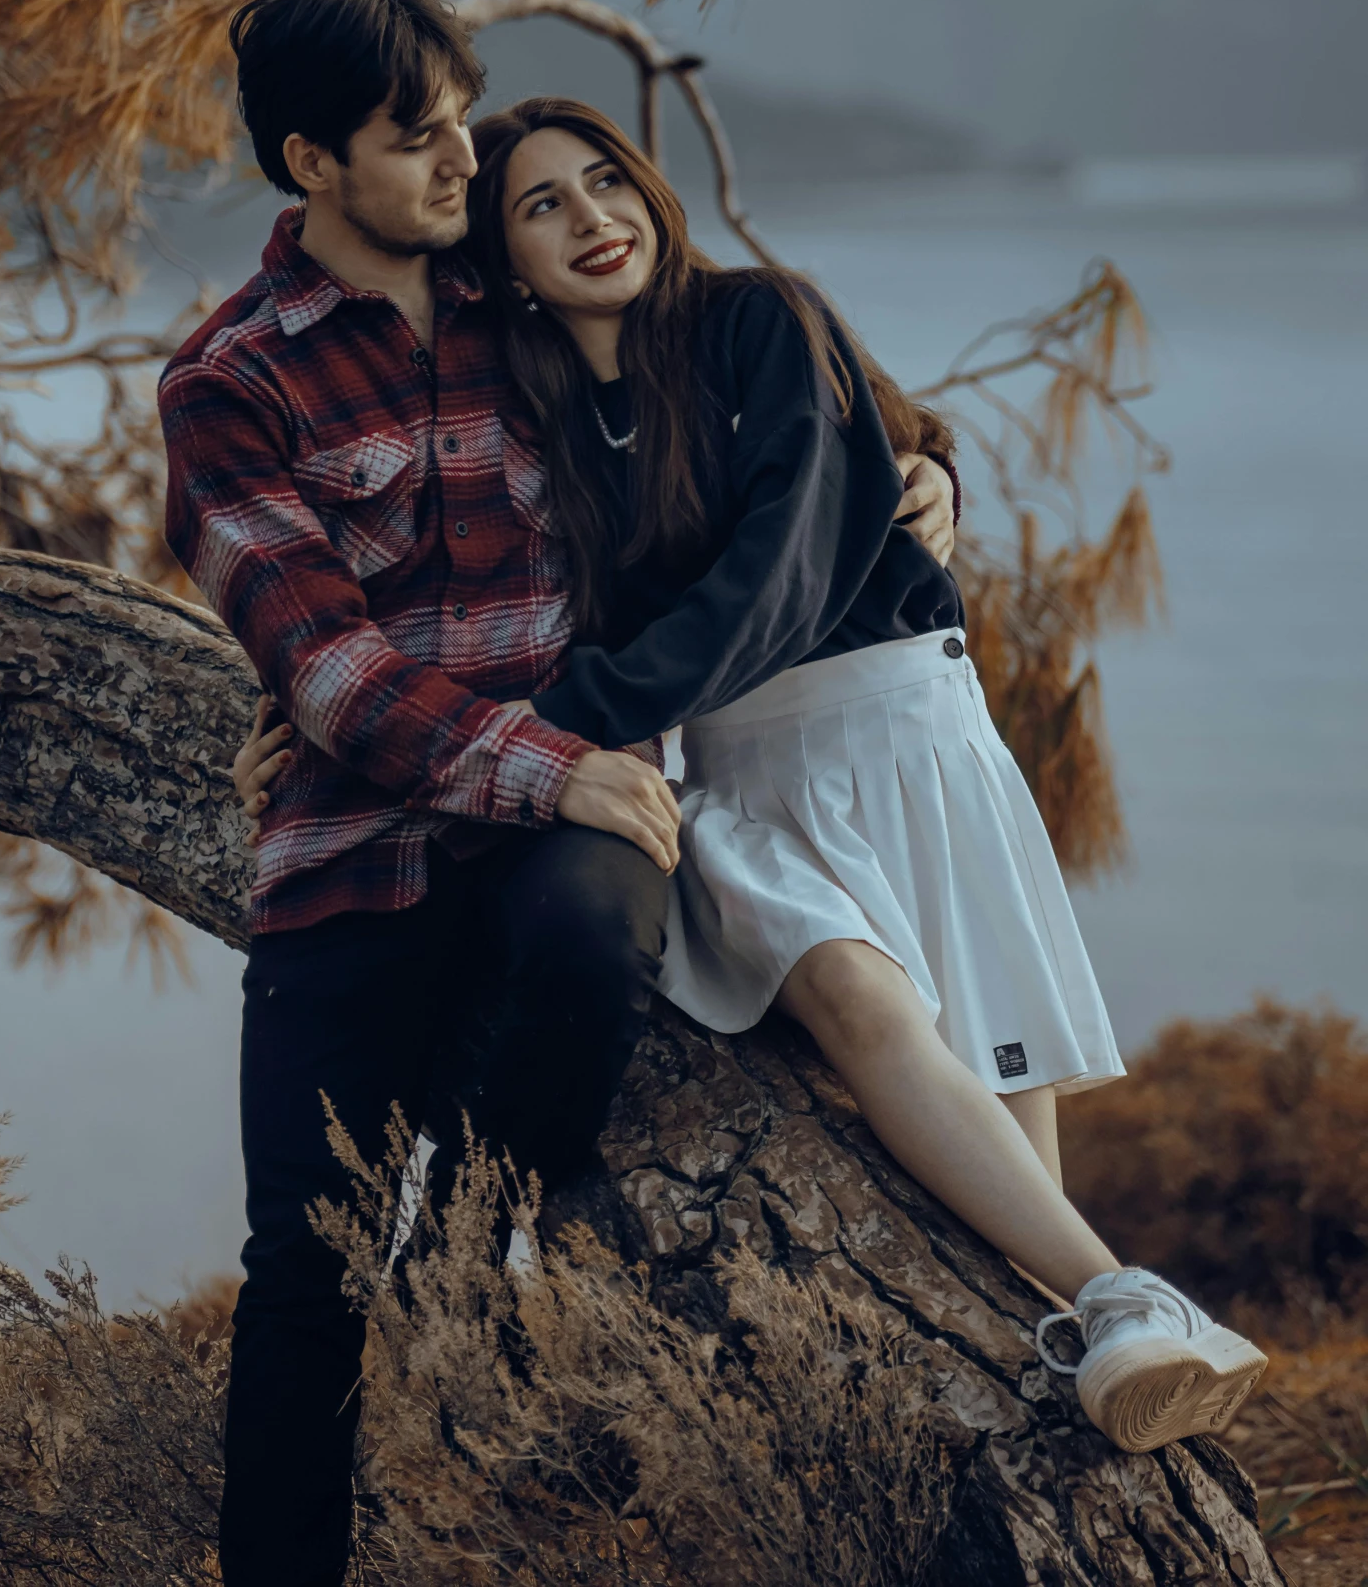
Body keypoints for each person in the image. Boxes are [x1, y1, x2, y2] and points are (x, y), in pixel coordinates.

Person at [237, 92, 1267, 1458]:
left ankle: (1111, 1331)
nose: (590, 218)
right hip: (727, 771)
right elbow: (439, 575)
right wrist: (316, 707)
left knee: (1009, 1151)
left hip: (902, 736)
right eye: (541, 203)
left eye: (605, 180)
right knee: (852, 992)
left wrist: (538, 714)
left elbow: (769, 582)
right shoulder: (536, 416)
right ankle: (1128, 1303)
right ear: (504, 256)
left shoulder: (759, 318)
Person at [158, 0, 689, 1587]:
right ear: (311, 161)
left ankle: (482, 1249)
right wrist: (548, 767)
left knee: (598, 941)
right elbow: (327, 674)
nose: (462, 153)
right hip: (354, 852)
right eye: (414, 134)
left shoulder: (515, 286)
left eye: (462, 111)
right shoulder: (225, 383)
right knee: (298, 1275)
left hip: (551, 849)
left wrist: (920, 454)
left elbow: (724, 360)